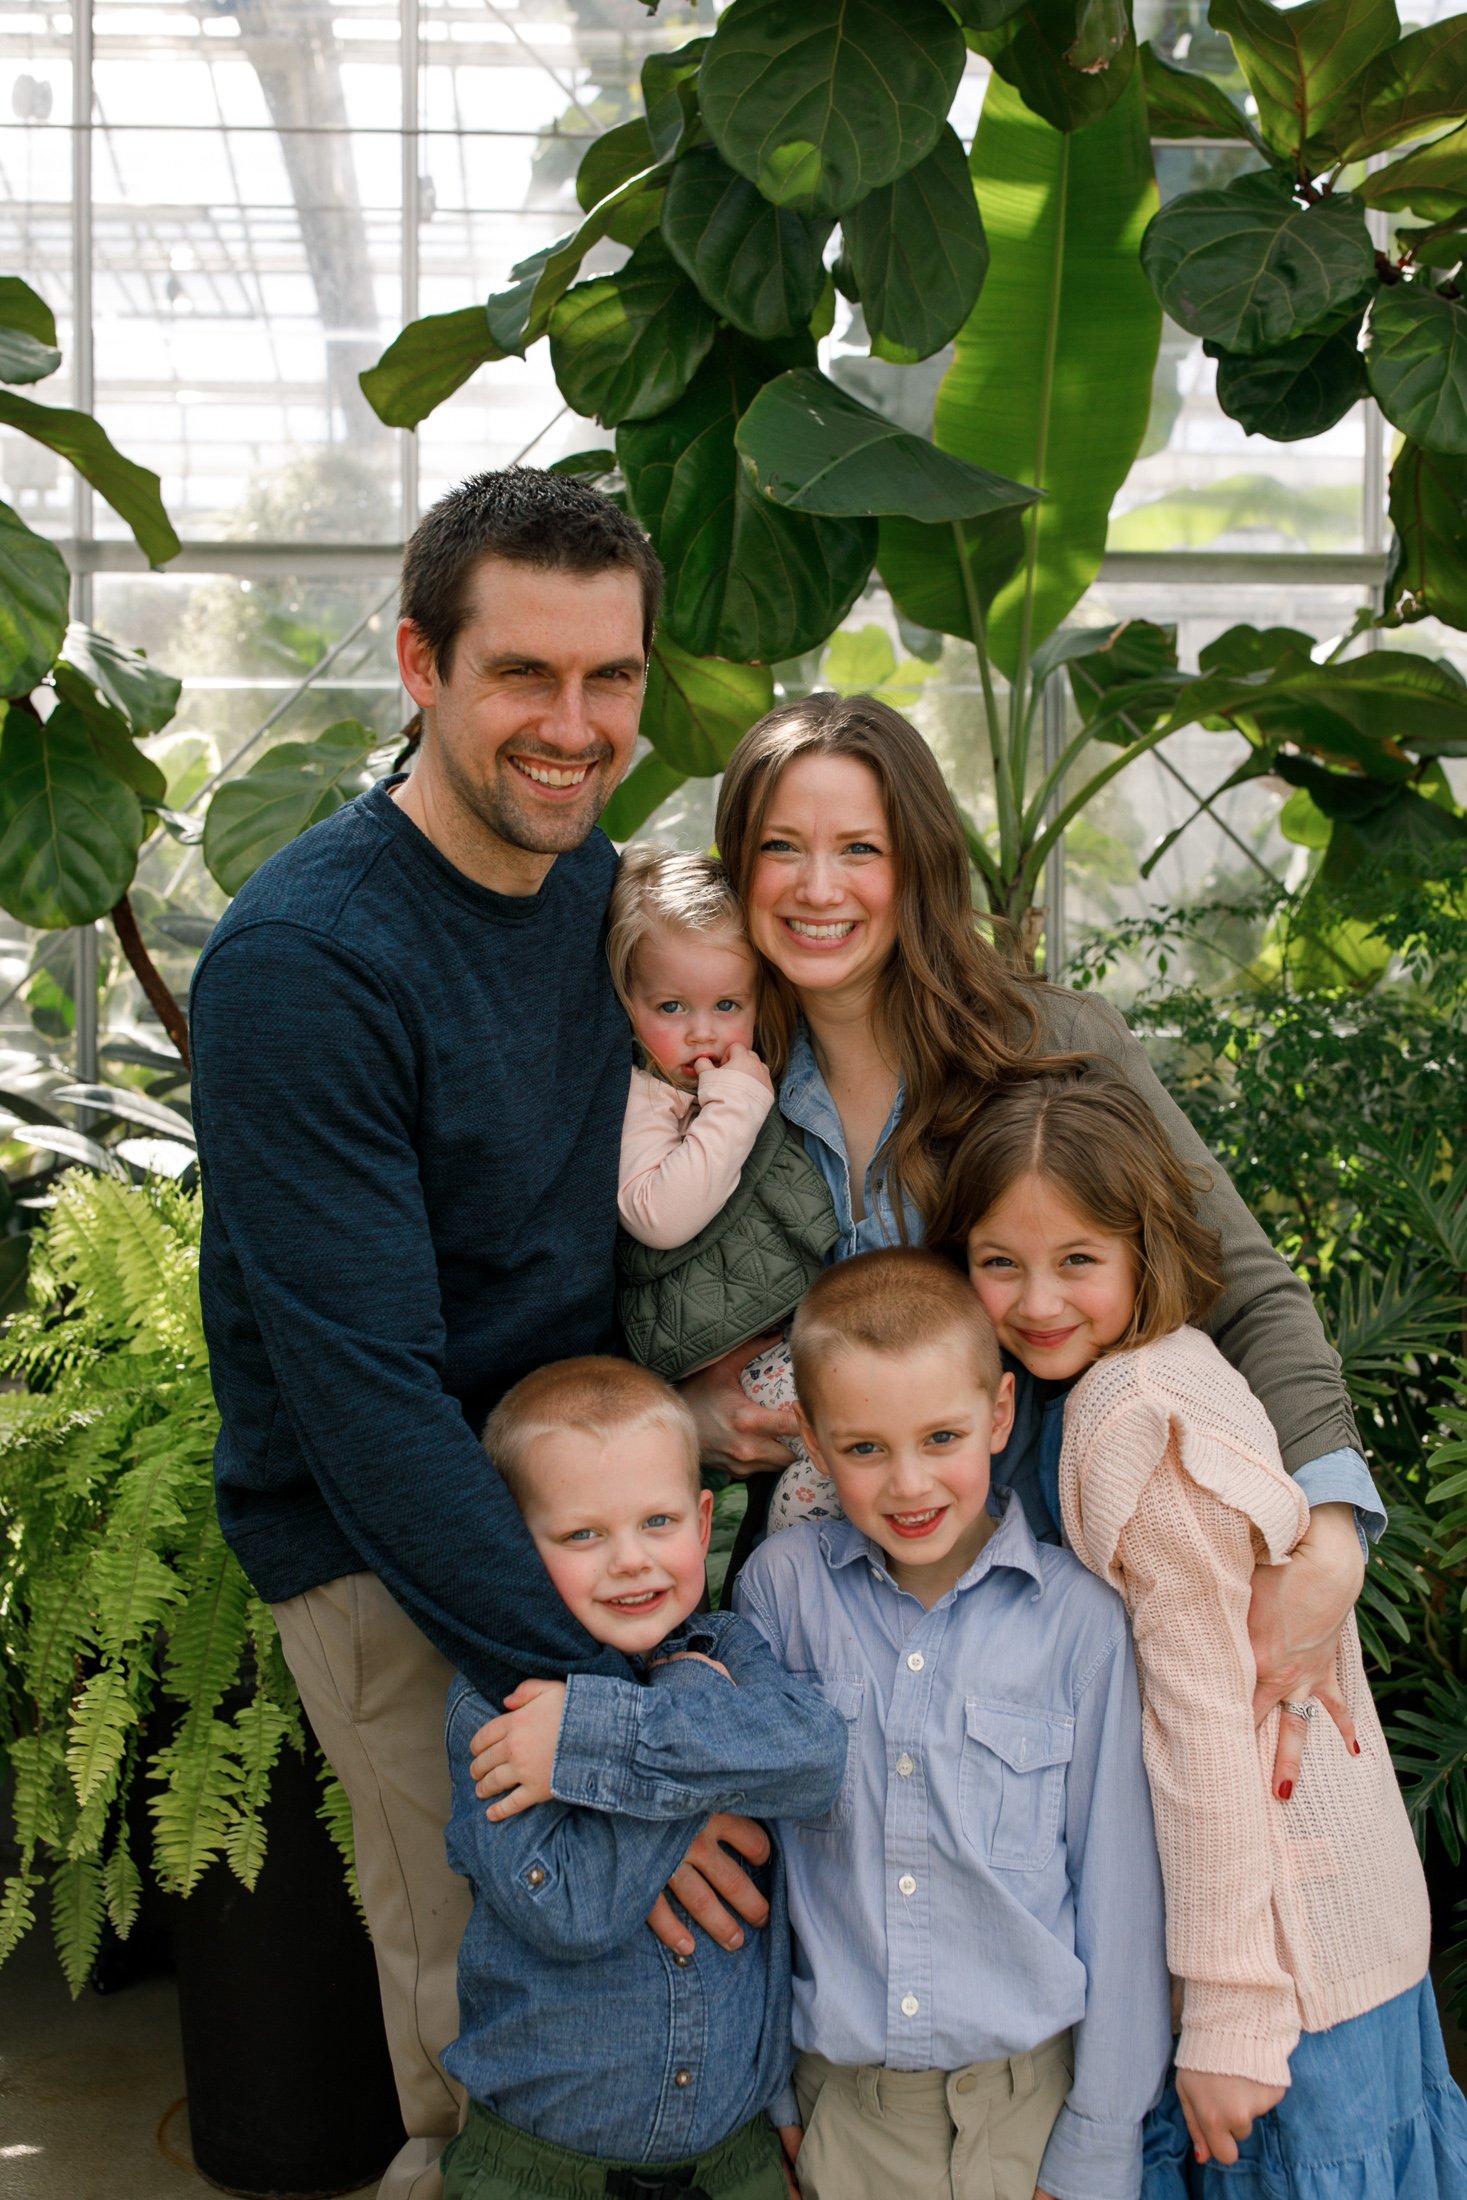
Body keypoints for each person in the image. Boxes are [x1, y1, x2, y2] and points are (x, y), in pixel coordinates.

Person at [189, 470, 765, 2200]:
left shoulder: (598, 892)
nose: (574, 728)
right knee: (494, 2029)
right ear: (420, 665)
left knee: (662, 2002)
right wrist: (630, 1729)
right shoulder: (309, 963)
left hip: (591, 1510)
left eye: (611, 681)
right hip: (398, 1552)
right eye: (525, 674)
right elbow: (362, 1403)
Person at [692, 692, 1385, 1802]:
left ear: (916, 862)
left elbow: (1244, 1287)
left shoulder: (1049, 1050)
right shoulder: (705, 1088)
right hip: (811, 1653)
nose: (818, 888)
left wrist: (1335, 1533)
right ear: (739, 868)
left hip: (1059, 1627)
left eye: (858, 849)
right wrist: (689, 1422)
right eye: (782, 848)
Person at [933, 1065, 1467, 2197]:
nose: (1037, 1301)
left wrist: (1228, 2017)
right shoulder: (1139, 1374)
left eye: (1078, 1260)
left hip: (1286, 1969)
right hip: (1319, 1930)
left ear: (1145, 1249)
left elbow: (1206, 1731)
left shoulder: (1138, 1426)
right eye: (998, 1263)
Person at [733, 1249, 1172, 2200]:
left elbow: (1119, 1894)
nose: (907, 1485)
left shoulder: (1080, 1623)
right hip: (845, 2112)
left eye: (941, 1437)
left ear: (999, 1416)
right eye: (863, 1449)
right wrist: (775, 2096)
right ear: (810, 1440)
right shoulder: (781, 1593)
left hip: (1033, 2110)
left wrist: (1097, 2141)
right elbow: (759, 1854)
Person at [438, 1356, 847, 2200]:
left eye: (656, 1522)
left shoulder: (724, 1649)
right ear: (515, 1545)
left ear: (703, 1524)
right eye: (583, 1534)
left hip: (731, 2165)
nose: (630, 1561)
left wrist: (592, 1740)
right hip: (543, 2171)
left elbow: (813, 1759)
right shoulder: (497, 1711)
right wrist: (703, 1748)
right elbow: (575, 1907)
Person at [607, 845, 836, 1467]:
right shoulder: (646, 1092)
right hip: (706, 1348)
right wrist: (736, 1105)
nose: (702, 1033)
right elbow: (658, 1216)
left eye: (727, 1006)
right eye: (671, 1007)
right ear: (628, 1001)